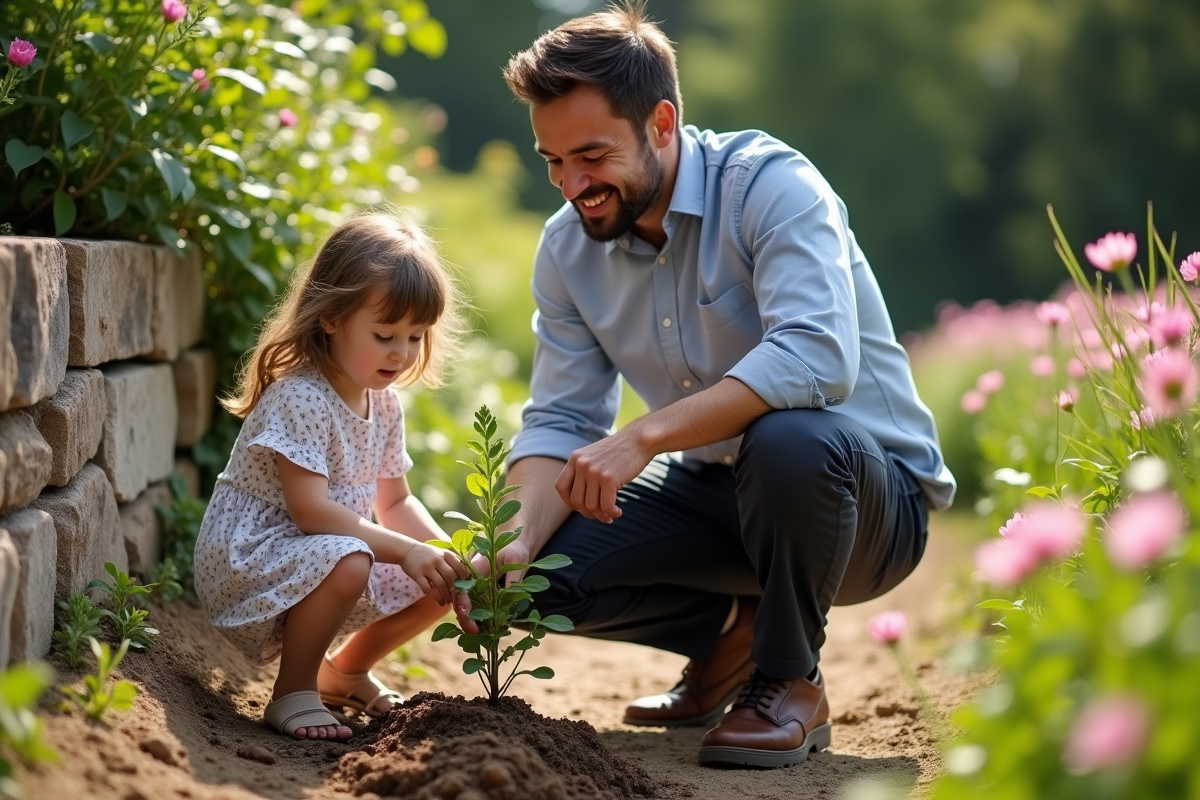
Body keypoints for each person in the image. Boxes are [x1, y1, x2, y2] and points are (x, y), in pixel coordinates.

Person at [490, 3, 956, 768]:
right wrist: (509, 543)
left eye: (592, 156)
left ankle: (788, 681)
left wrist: (643, 435)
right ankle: (734, 636)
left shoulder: (772, 187)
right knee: (538, 576)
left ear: (662, 124)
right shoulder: (567, 248)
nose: (572, 185)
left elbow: (814, 358)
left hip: (863, 503)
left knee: (789, 435)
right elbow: (560, 419)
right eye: (553, 161)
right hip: (719, 498)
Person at [194, 212, 470, 741]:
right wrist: (405, 551)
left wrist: (444, 551)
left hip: (319, 551)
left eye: (416, 336)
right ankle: (292, 692)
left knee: (438, 576)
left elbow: (396, 503)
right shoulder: (301, 397)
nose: (402, 352)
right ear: (330, 317)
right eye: (386, 333)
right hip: (250, 555)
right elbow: (311, 512)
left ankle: (343, 671)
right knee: (352, 556)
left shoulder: (385, 405)